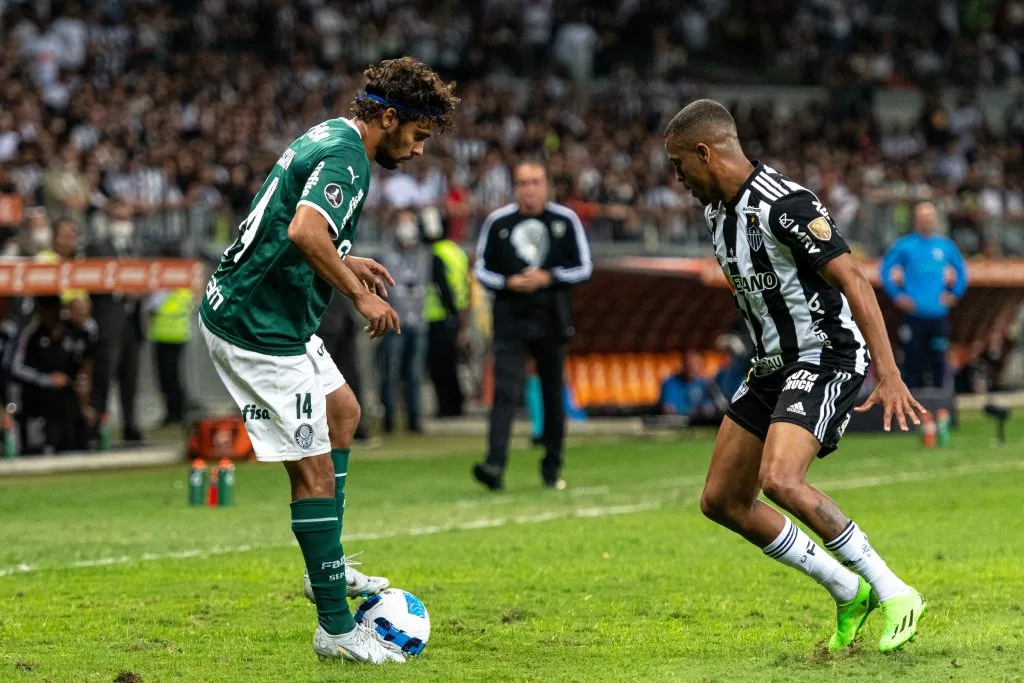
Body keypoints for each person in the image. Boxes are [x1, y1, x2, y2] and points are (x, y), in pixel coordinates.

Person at [198, 57, 459, 664]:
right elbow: (303, 233)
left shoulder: (331, 134)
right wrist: (358, 293)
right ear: (389, 118)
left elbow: (303, 224)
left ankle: (327, 571)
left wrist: (350, 256)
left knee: (343, 412)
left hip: (273, 315)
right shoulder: (348, 158)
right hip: (258, 328)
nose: (420, 152)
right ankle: (337, 628)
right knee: (312, 473)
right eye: (418, 136)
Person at [663, 99, 927, 654]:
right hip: (770, 367)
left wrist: (890, 374)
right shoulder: (717, 212)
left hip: (825, 355)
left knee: (780, 479)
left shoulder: (784, 204)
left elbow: (855, 281)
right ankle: (846, 588)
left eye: (678, 163)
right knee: (721, 500)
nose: (677, 178)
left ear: (705, 152)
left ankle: (895, 590)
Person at [472, 160, 593, 491]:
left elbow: (584, 267)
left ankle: (552, 467)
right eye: (523, 183)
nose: (530, 189)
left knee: (553, 394)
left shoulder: (564, 221)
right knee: (505, 393)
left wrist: (548, 277)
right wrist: (508, 283)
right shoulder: (499, 223)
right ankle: (494, 465)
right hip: (510, 317)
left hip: (552, 317)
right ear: (515, 187)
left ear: (546, 185)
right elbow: (481, 269)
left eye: (535, 182)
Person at [880, 201, 968, 388]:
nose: (926, 220)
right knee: (912, 361)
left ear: (935, 219)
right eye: (923, 216)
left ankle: (939, 406)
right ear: (916, 219)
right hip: (914, 314)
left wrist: (954, 294)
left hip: (938, 315)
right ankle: (910, 405)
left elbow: (962, 272)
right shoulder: (905, 246)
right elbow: (885, 270)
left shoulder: (944, 246)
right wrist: (897, 296)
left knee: (938, 361)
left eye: (929, 216)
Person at [87, 201, 144, 444]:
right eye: (118, 218)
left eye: (126, 218)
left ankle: (130, 425)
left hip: (132, 321)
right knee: (104, 377)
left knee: (130, 377)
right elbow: (94, 282)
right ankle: (98, 427)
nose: (123, 224)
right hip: (108, 320)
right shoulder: (97, 248)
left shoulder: (134, 249)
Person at [9, 296, 94, 453]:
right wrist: (46, 380)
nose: (54, 316)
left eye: (57, 310)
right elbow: (15, 368)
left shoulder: (73, 333)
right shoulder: (31, 335)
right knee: (37, 451)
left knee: (74, 449)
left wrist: (84, 398)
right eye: (49, 311)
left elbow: (85, 364)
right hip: (37, 404)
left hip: (68, 405)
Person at [377, 210, 431, 434]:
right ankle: (389, 420)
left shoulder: (424, 254)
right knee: (391, 372)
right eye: (403, 223)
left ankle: (414, 421)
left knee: (415, 375)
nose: (407, 228)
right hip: (393, 323)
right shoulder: (386, 254)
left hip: (418, 322)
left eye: (411, 223)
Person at [422, 205, 469, 418]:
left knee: (440, 367)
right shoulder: (457, 251)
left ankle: (446, 407)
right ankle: (457, 405)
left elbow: (442, 287)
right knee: (452, 365)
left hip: (437, 316)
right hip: (457, 314)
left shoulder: (434, 253)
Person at [658, 351, 719, 425]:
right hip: (677, 424)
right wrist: (692, 412)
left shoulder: (705, 384)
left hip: (699, 424)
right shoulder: (670, 383)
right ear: (683, 365)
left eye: (696, 364)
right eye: (690, 365)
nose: (693, 368)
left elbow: (710, 409)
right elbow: (668, 409)